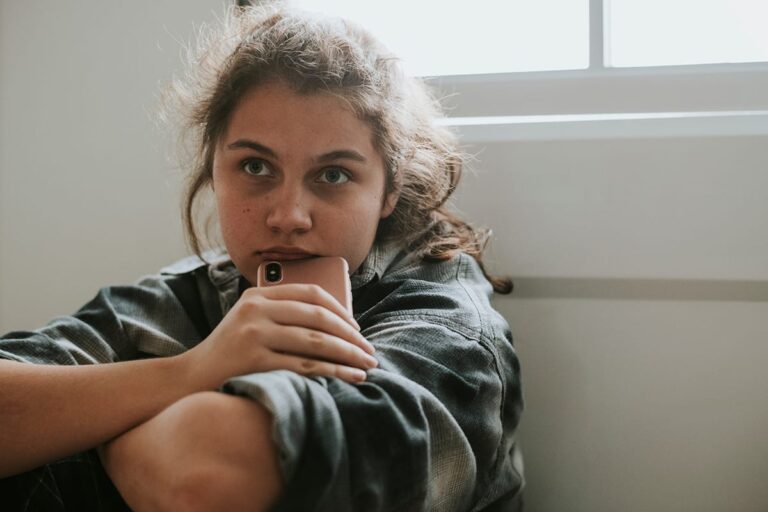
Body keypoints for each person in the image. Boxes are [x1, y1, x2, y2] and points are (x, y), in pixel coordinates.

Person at [0, 4, 524, 511]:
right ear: (213, 169)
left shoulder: (446, 327)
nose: (289, 216)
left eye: (334, 174)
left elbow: (201, 481)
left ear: (388, 190)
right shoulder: (187, 295)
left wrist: (86, 422)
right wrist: (191, 371)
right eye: (255, 167)